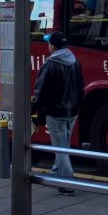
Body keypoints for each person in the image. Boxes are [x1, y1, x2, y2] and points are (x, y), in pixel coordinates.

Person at [31, 31, 84, 196]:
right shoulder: (75, 61)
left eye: (49, 44)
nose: (48, 46)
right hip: (72, 112)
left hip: (56, 113)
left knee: (61, 149)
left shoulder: (50, 63)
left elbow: (40, 92)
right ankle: (56, 172)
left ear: (52, 46)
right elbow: (81, 87)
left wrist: (31, 111)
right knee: (64, 145)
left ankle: (67, 183)